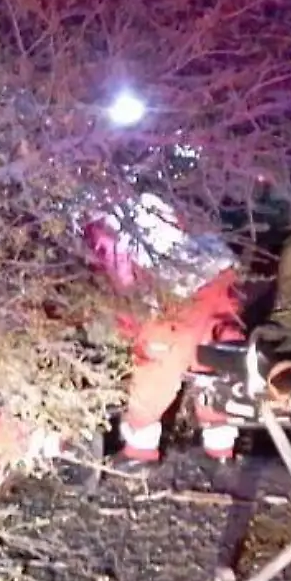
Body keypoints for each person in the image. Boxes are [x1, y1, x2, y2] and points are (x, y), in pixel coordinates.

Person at [84, 191, 246, 470]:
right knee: (215, 359)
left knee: (156, 367)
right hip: (219, 270)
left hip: (175, 289)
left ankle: (140, 450)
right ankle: (221, 446)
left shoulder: (100, 227)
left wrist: (131, 328)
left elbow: (125, 281)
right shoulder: (137, 198)